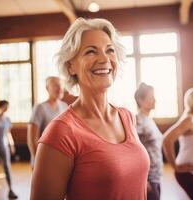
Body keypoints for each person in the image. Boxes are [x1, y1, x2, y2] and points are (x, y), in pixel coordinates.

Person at [30, 18, 150, 200]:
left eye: (110, 50)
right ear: (71, 66)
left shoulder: (127, 117)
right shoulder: (61, 132)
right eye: (91, 52)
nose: (104, 59)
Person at [27, 76, 67, 167]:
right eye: (56, 86)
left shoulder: (65, 107)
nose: (60, 88)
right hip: (43, 159)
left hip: (60, 159)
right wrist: (38, 161)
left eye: (61, 86)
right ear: (47, 88)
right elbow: (32, 139)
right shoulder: (40, 108)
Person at [134, 82, 163, 200]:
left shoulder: (149, 119)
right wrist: (143, 180)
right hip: (148, 177)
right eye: (151, 97)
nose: (154, 100)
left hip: (156, 175)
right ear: (141, 100)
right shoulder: (138, 121)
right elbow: (133, 151)